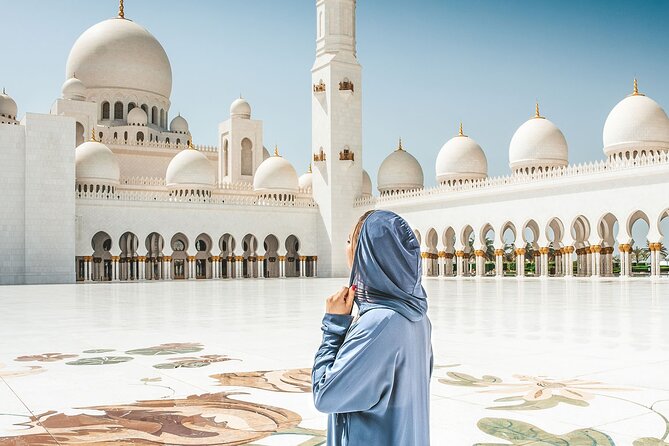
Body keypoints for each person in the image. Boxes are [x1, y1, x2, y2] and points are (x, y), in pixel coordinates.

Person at [312, 210, 433, 445]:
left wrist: (333, 326)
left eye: (350, 241)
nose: (345, 249)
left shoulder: (378, 324)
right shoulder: (418, 318)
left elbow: (325, 396)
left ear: (366, 255)